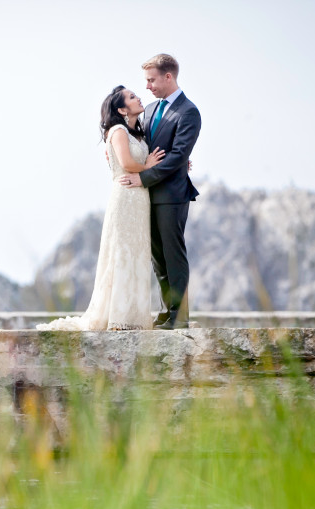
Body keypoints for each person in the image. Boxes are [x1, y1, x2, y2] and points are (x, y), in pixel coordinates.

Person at [38, 86, 166, 331]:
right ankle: (119, 317)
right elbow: (127, 163)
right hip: (126, 198)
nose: (138, 97)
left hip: (140, 198)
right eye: (131, 97)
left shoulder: (137, 134)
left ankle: (134, 316)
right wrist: (149, 165)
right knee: (123, 253)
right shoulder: (117, 130)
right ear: (121, 109)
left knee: (138, 253)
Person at [119, 54, 201, 329]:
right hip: (148, 197)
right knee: (157, 256)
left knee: (173, 253)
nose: (147, 86)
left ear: (169, 77)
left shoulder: (189, 112)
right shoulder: (151, 109)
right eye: (146, 81)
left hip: (172, 195)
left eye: (151, 80)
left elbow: (178, 156)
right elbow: (142, 145)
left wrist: (143, 179)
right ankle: (168, 310)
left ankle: (180, 316)